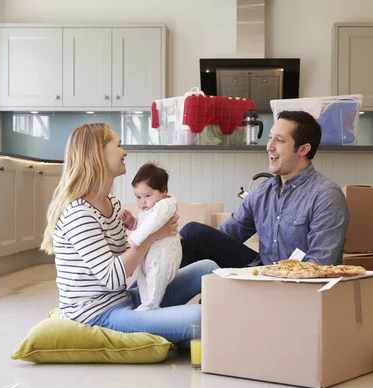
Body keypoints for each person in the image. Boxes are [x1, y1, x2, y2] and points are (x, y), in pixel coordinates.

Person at [40, 123, 217, 345]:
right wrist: (154, 235)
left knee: (208, 269)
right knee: (200, 318)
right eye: (118, 145)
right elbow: (114, 277)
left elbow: (127, 259)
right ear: (98, 153)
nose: (124, 151)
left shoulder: (111, 202)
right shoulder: (79, 214)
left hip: (122, 299)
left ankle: (233, 322)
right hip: (98, 315)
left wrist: (162, 246)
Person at [180, 110, 350, 268]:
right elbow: (224, 236)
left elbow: (319, 264)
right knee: (192, 235)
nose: (269, 146)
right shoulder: (262, 192)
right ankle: (169, 297)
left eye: (280, 140)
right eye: (270, 138)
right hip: (262, 275)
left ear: (303, 149)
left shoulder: (326, 196)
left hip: (301, 285)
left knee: (193, 232)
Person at [118, 163, 182, 312]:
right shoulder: (150, 207)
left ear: (163, 191)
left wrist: (133, 240)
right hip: (148, 254)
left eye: (147, 196)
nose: (143, 202)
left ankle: (151, 305)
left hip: (163, 255)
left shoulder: (165, 206)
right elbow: (143, 225)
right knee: (143, 279)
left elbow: (151, 226)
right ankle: (145, 303)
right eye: (138, 197)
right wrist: (131, 222)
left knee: (156, 278)